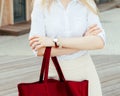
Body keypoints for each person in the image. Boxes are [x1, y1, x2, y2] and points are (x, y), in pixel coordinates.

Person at [29, 0, 106, 96]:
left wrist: (55, 42)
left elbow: (99, 42)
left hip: (86, 73)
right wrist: (82, 42)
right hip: (55, 77)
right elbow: (39, 49)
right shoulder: (41, 4)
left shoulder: (87, 3)